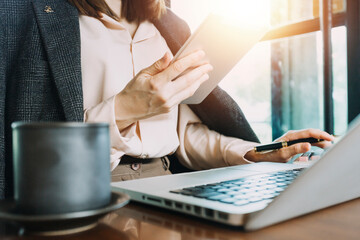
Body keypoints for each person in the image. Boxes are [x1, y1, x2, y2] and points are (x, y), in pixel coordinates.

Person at [0, 0, 333, 199]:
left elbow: (182, 135)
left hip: (171, 185)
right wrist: (126, 108)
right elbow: (38, 157)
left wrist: (260, 152)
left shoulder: (169, 26)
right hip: (86, 191)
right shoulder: (27, 13)